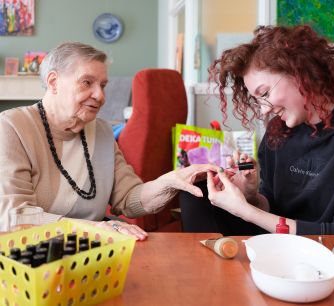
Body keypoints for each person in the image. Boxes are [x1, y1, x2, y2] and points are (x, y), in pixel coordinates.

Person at [0, 41, 218, 239]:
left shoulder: (102, 131)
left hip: (91, 251)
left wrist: (169, 182)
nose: (100, 96)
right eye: (87, 82)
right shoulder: (12, 127)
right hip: (29, 256)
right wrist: (92, 229)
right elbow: (15, 216)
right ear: (54, 82)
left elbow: (129, 198)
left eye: (103, 85)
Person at [181, 25, 334, 235]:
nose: (263, 110)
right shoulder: (278, 131)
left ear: (299, 73)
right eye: (257, 100)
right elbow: (272, 206)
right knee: (194, 193)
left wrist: (246, 211)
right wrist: (251, 196)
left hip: (325, 250)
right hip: (275, 242)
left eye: (265, 93)